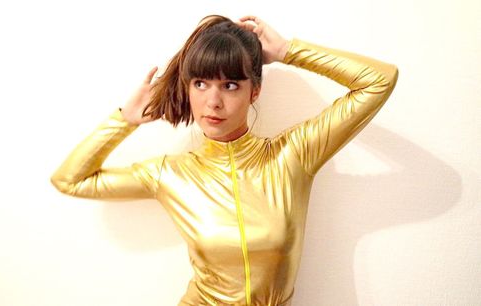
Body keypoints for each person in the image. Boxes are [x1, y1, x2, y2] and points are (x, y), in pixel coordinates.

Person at [51, 14, 398, 306]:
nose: (213, 102)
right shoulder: (170, 174)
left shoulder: (294, 154)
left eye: (230, 85)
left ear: (255, 90)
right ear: (188, 88)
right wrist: (123, 120)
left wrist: (289, 51)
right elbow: (70, 180)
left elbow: (378, 81)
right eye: (200, 83)